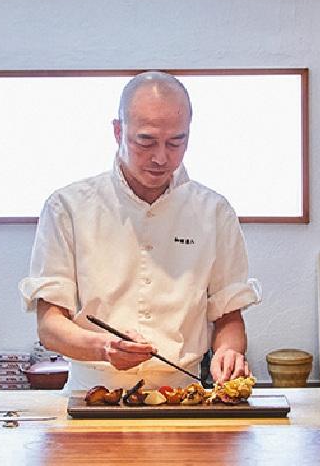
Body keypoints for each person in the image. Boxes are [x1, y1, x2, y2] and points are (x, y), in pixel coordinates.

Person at [18, 71, 261, 392]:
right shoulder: (69, 207)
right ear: (118, 131)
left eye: (176, 142)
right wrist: (103, 347)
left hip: (182, 393)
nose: (161, 157)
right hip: (92, 393)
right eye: (146, 141)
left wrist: (228, 351)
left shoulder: (213, 211)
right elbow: (50, 325)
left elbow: (228, 316)